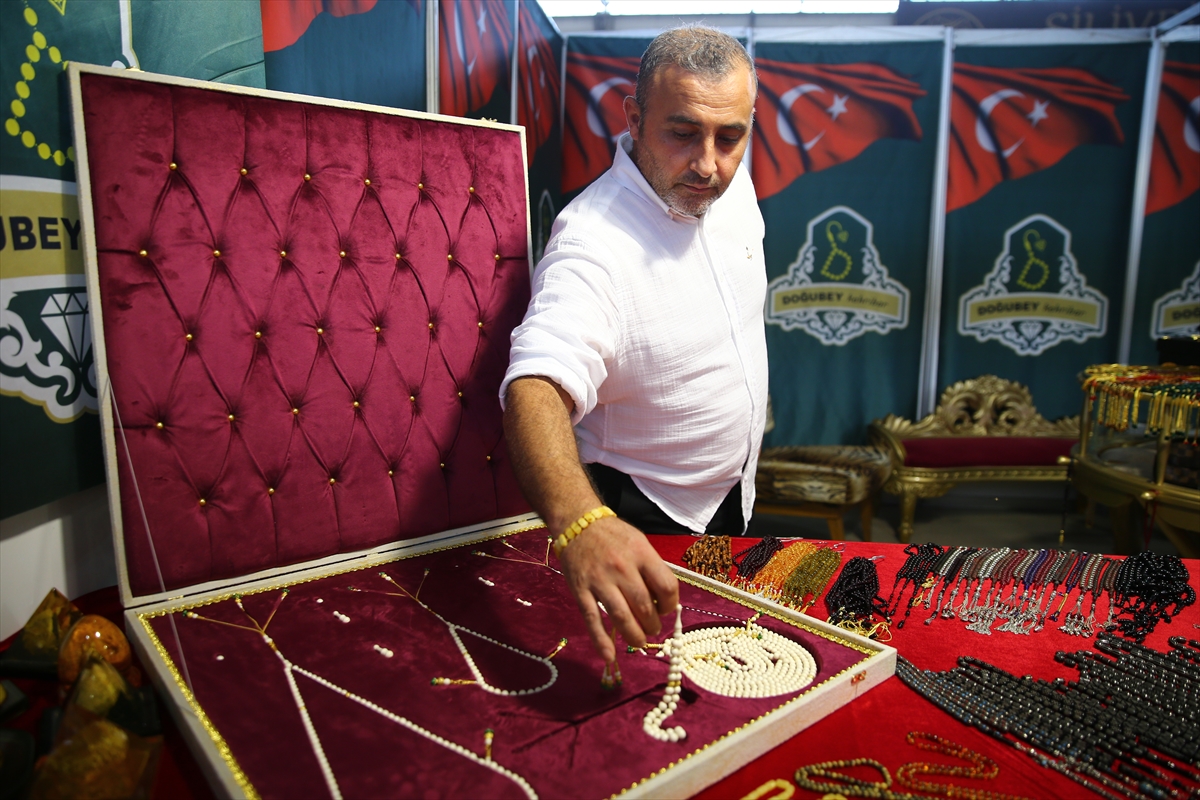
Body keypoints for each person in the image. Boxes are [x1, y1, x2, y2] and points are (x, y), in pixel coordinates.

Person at [500, 26, 768, 665]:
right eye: (682, 133)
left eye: (730, 137)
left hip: (735, 499)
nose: (707, 165)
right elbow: (535, 387)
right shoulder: (591, 243)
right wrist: (582, 524)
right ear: (635, 118)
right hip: (639, 523)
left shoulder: (731, 184)